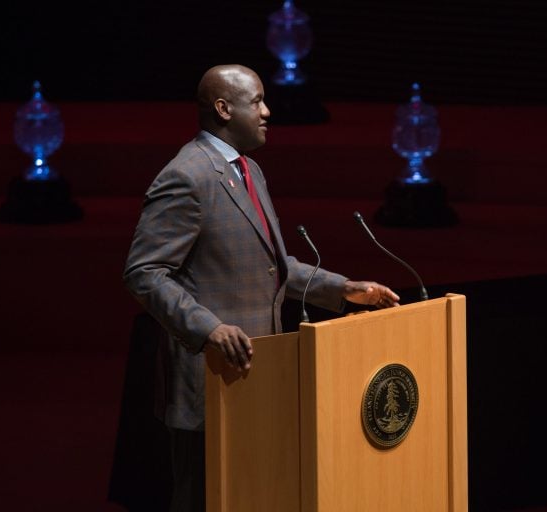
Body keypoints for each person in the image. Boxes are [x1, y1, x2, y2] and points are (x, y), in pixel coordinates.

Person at [122, 63, 400, 512]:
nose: (268, 111)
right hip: (208, 381)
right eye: (257, 102)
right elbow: (144, 272)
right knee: (201, 500)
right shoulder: (187, 176)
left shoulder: (248, 169)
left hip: (256, 373)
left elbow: (274, 266)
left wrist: (343, 289)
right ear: (223, 108)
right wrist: (208, 328)